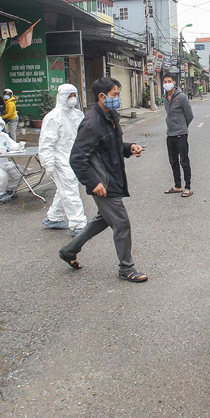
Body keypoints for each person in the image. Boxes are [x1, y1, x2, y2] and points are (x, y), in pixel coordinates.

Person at [58, 77, 148, 283]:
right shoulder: (91, 123)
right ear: (102, 96)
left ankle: (69, 250)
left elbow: (110, 147)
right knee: (121, 224)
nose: (118, 99)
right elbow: (77, 158)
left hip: (113, 177)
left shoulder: (111, 116)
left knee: (103, 220)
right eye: (115, 95)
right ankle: (127, 268)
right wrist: (92, 182)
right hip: (103, 184)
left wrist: (129, 148)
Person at [38, 83, 87, 237]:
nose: (72, 99)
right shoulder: (53, 117)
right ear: (61, 97)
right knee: (70, 190)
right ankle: (79, 225)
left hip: (75, 157)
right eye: (69, 96)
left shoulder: (78, 115)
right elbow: (47, 142)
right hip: (59, 159)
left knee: (65, 189)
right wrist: (48, 163)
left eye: (74, 95)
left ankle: (54, 217)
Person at [161, 73, 194, 198]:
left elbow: (189, 115)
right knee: (173, 161)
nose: (167, 83)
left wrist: (182, 127)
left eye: (169, 81)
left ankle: (188, 187)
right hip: (170, 134)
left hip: (180, 134)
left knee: (184, 161)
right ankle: (177, 186)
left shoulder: (182, 97)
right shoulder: (164, 97)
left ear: (174, 82)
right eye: (165, 81)